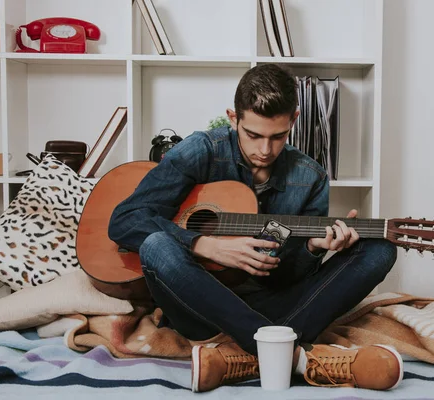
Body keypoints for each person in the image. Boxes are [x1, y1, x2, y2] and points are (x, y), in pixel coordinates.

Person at [107, 64, 402, 392]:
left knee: (380, 248)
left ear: (294, 119)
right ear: (233, 119)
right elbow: (125, 219)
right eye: (253, 135)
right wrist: (203, 245)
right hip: (198, 306)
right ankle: (294, 356)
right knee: (156, 246)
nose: (265, 150)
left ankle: (243, 356)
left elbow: (285, 279)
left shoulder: (310, 178)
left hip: (275, 306)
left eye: (278, 136)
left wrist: (312, 249)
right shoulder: (202, 150)